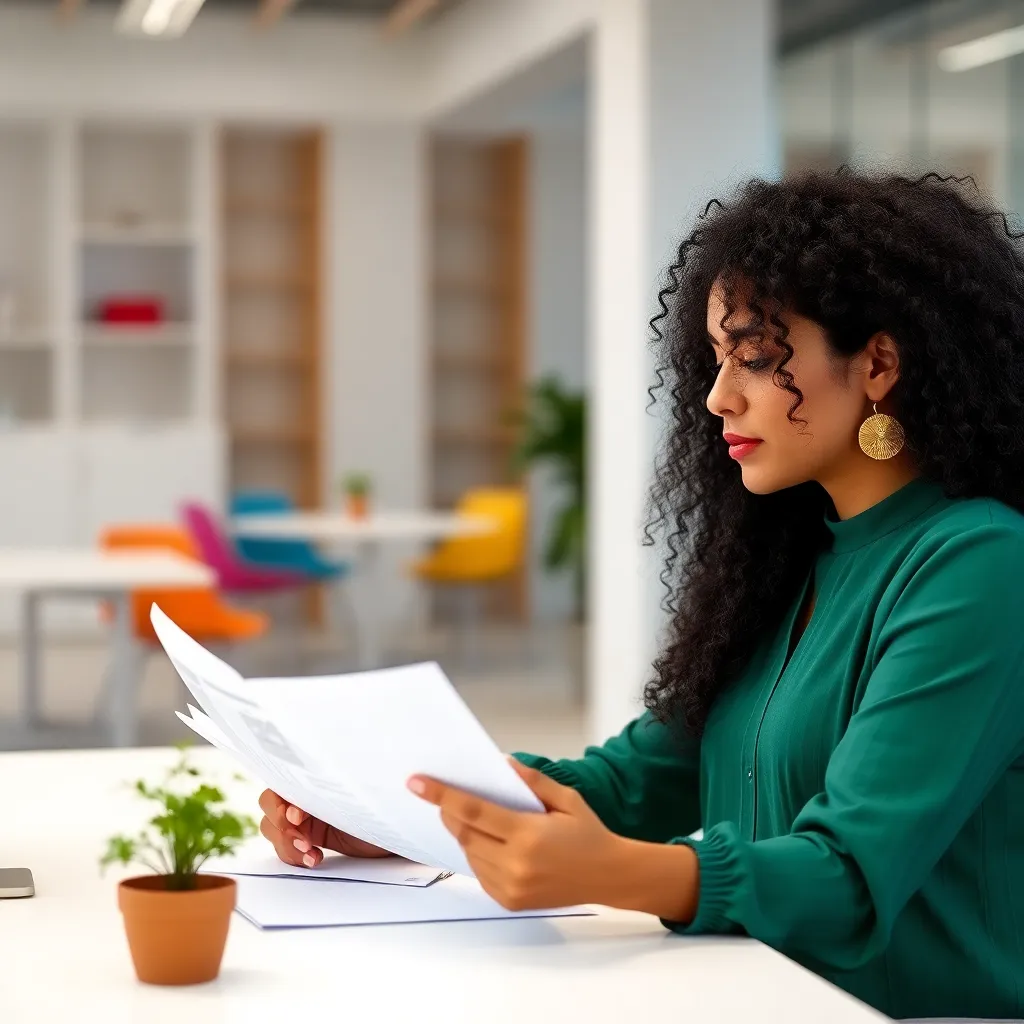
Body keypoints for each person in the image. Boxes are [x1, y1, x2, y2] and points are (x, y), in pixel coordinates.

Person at [258, 170, 1024, 1021]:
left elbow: (848, 876)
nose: (716, 396)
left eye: (757, 359)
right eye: (716, 359)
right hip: (766, 994)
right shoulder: (789, 556)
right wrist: (399, 811)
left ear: (878, 363)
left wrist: (606, 870)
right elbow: (637, 779)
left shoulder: (980, 563)